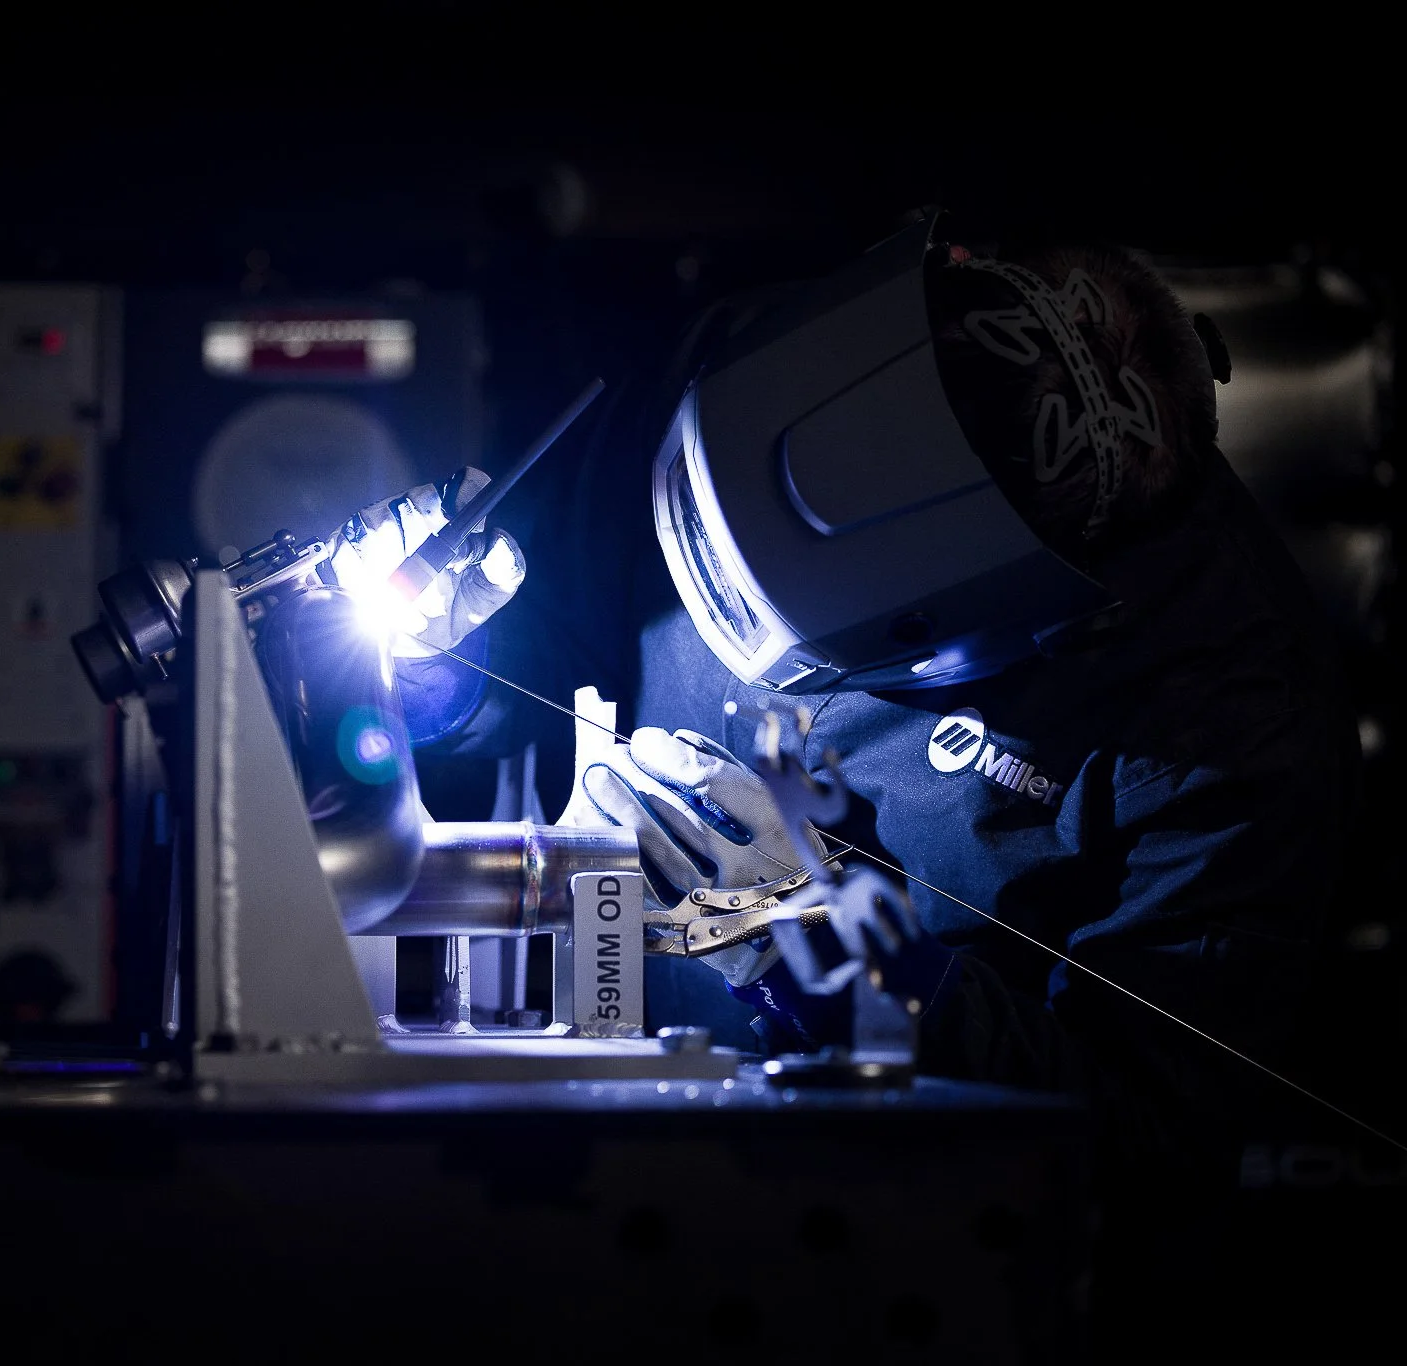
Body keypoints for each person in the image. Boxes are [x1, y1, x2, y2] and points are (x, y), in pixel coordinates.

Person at [330, 214, 1358, 1164]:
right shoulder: (757, 359)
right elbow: (554, 664)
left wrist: (837, 965)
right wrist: (443, 679)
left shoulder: (1233, 721)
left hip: (857, 1228)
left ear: (1011, 626)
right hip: (569, 1082)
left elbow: (1141, 1140)